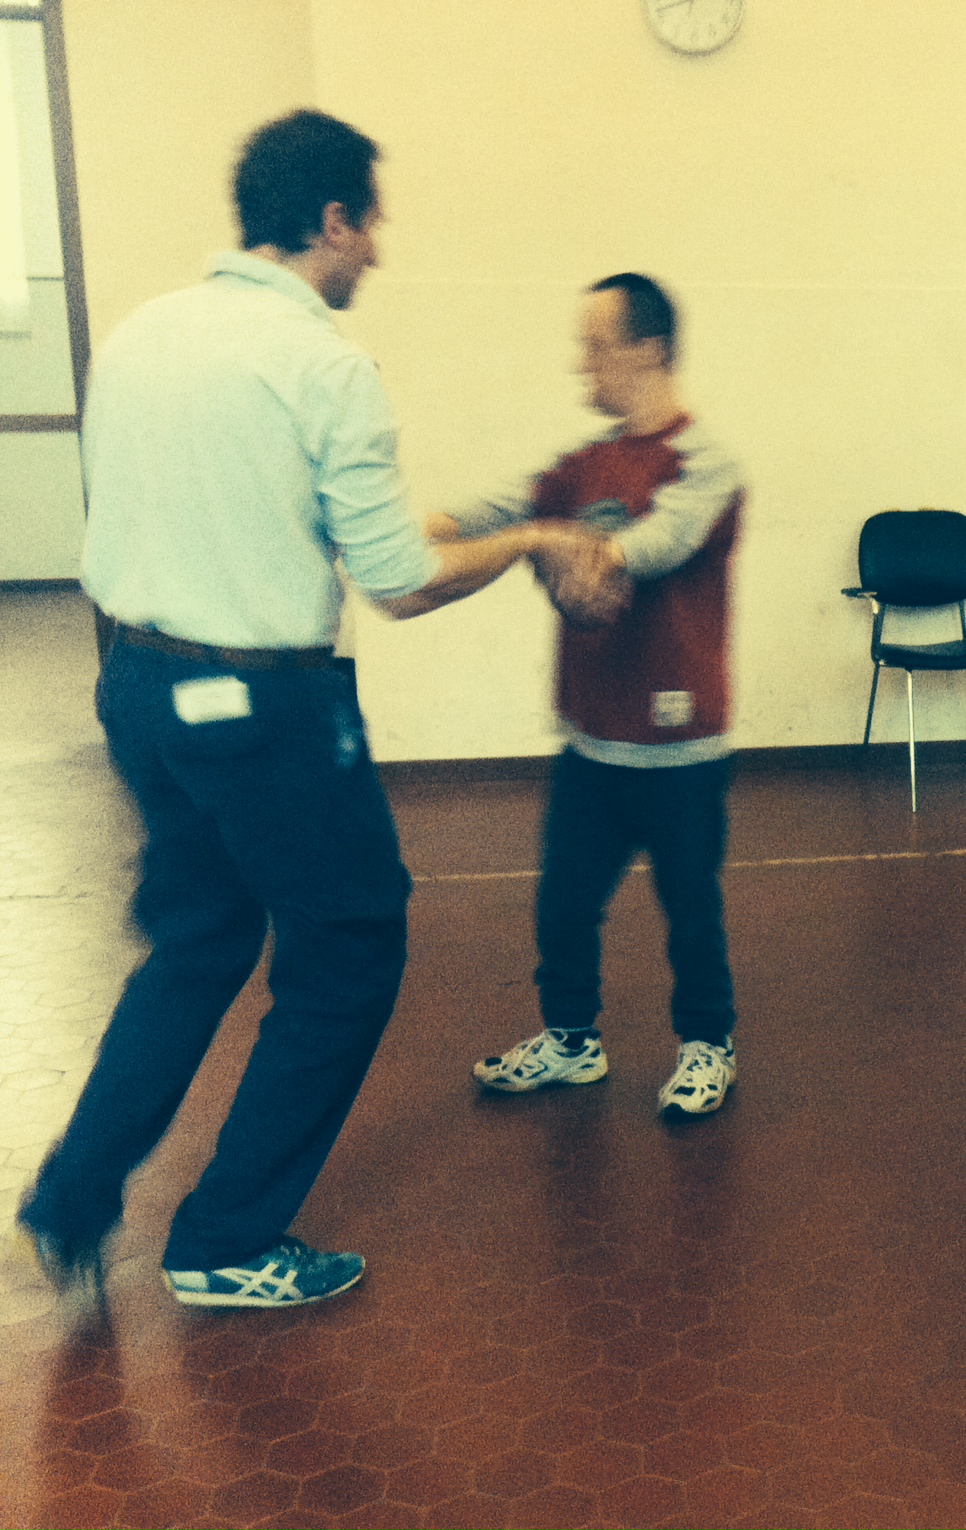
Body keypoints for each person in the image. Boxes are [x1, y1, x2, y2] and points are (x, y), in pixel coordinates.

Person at [17, 110, 608, 1313]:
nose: (377, 249)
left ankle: (70, 1199)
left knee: (199, 939)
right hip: (263, 706)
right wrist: (537, 539)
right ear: (331, 220)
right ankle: (226, 1238)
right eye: (370, 223)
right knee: (349, 944)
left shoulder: (140, 336)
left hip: (137, 686)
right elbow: (398, 581)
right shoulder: (322, 365)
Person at [431, 273, 746, 1121]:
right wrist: (403, 534)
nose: (583, 365)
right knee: (563, 905)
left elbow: (657, 542)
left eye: (596, 347)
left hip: (680, 750)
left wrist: (583, 559)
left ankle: (708, 1046)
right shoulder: (579, 467)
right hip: (591, 744)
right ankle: (571, 1042)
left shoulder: (707, 463)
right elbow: (489, 511)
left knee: (691, 911)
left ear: (649, 349)